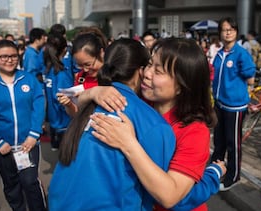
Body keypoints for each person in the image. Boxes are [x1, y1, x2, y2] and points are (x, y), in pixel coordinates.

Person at [89, 37, 226, 211]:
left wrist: (128, 144)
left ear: (182, 85)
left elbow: (170, 197)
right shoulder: (140, 103)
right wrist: (95, 92)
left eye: (158, 71)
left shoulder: (194, 131)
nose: (146, 73)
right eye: (149, 64)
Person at [48, 38, 177, 211]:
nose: (150, 74)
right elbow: (159, 193)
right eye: (151, 67)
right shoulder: (153, 124)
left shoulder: (91, 105)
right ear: (141, 71)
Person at [0, 40, 47, 211]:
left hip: (28, 144)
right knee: (11, 184)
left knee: (30, 182)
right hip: (3, 146)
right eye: (3, 56)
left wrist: (34, 134)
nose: (9, 60)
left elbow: (39, 106)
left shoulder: (29, 79)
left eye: (13, 56)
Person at [210, 17, 256, 191]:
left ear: (236, 32)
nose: (227, 32)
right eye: (224, 29)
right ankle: (215, 168)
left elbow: (250, 78)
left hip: (235, 107)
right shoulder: (220, 53)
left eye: (231, 29)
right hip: (220, 104)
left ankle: (234, 175)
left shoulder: (241, 53)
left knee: (233, 142)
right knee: (219, 140)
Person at [56, 28, 108, 116]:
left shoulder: (115, 76)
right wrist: (69, 104)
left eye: (88, 64)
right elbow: (76, 113)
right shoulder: (81, 77)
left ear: (101, 53)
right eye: (80, 65)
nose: (85, 69)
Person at [43, 34, 73, 151]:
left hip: (54, 119)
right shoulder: (61, 73)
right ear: (65, 49)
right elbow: (63, 98)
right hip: (64, 121)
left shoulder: (49, 69)